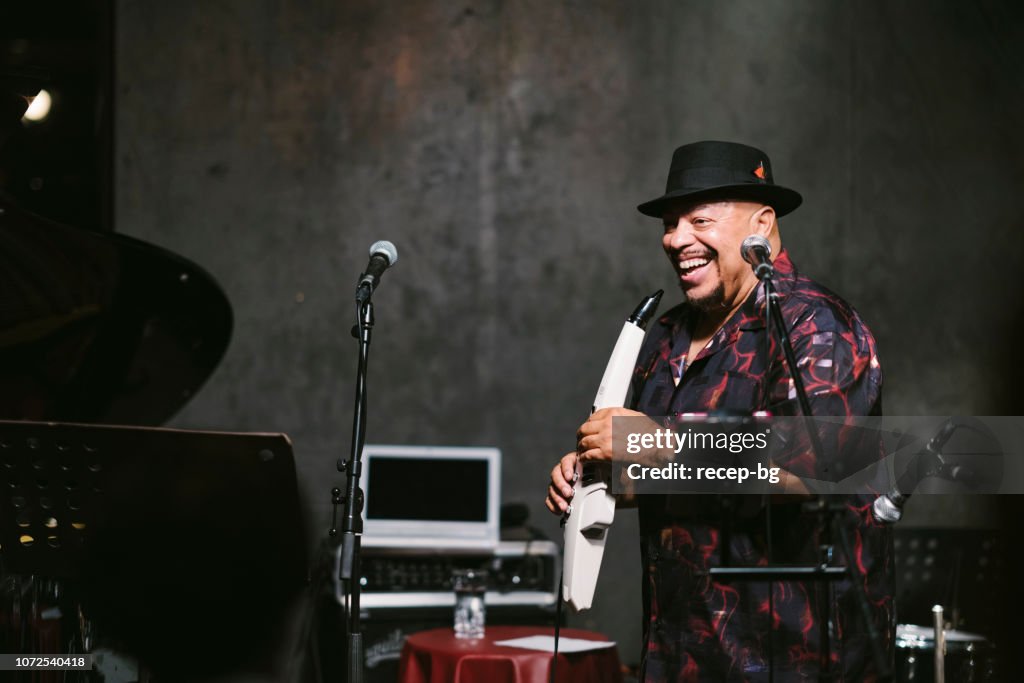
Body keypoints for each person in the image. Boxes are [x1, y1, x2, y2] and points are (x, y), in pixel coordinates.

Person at [546, 141, 893, 681]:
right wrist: (602, 476)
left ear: (763, 223)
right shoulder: (666, 336)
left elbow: (812, 469)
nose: (676, 238)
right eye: (669, 223)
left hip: (793, 659)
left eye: (700, 219)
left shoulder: (816, 326)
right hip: (678, 651)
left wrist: (658, 442)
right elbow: (675, 477)